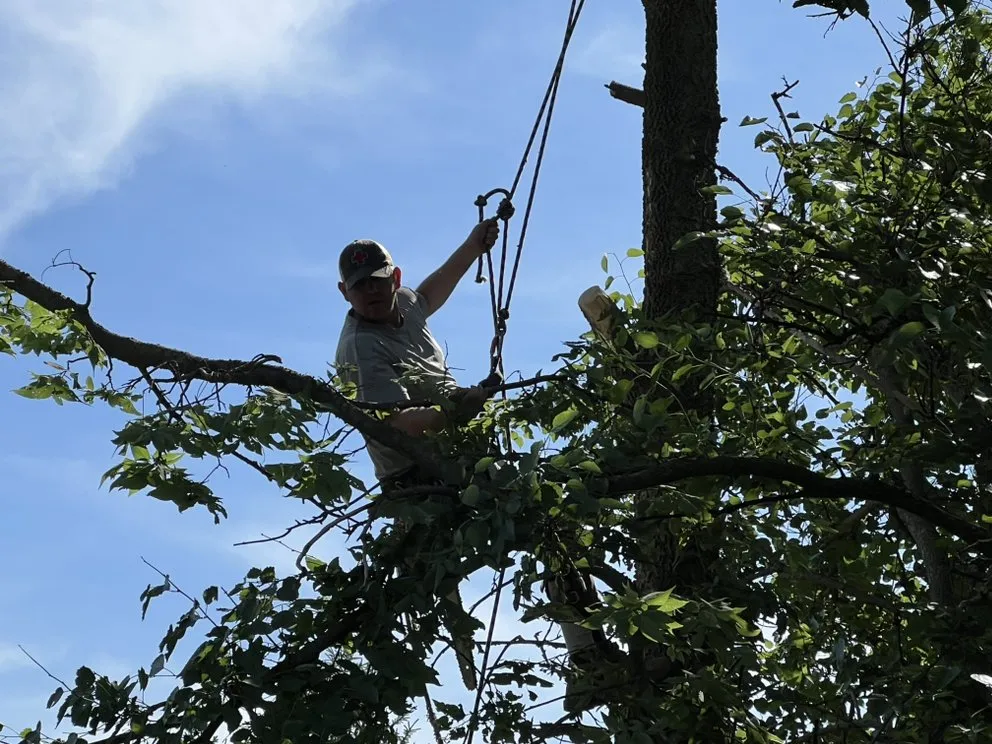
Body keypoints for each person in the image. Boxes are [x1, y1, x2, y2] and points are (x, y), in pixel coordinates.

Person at [333, 221, 621, 712]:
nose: (371, 293)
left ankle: (588, 658)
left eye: (378, 281)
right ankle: (569, 662)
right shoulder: (360, 347)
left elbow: (429, 294)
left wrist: (473, 246)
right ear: (345, 292)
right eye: (360, 287)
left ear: (393, 277)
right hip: (415, 482)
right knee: (454, 578)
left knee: (546, 520)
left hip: (457, 458)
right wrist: (453, 411)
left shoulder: (402, 303)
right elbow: (394, 424)